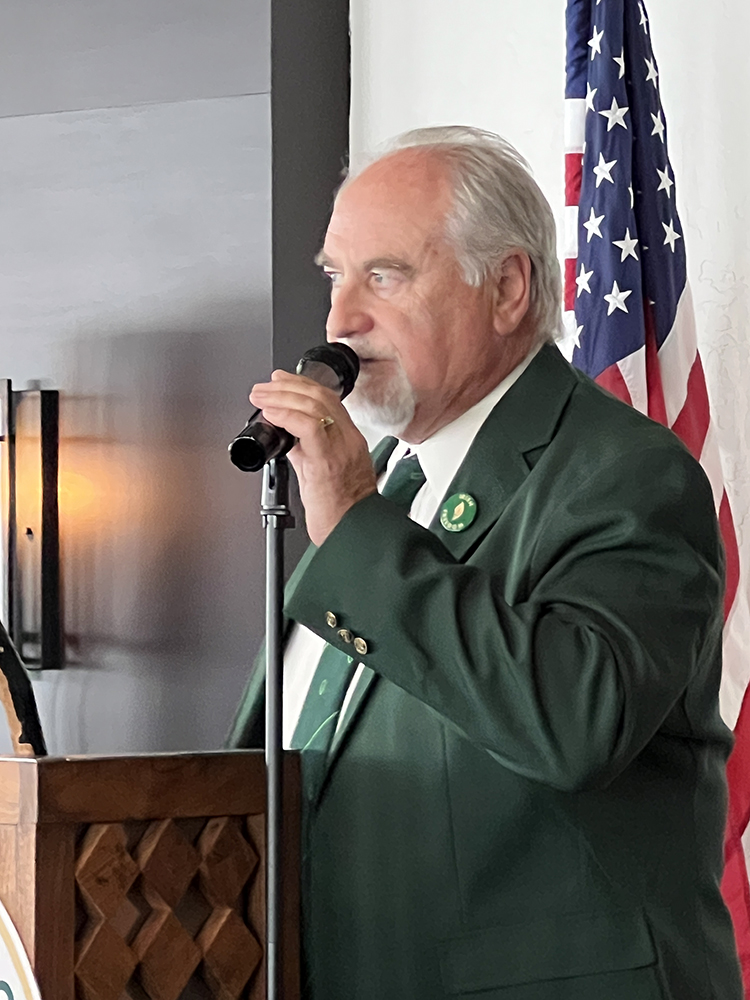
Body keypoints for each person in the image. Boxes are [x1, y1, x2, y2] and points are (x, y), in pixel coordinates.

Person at [228, 126, 742, 1000]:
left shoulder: (625, 474)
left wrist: (354, 524)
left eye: (384, 276)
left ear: (506, 288)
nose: (340, 320)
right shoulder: (381, 488)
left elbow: (573, 723)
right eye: (334, 276)